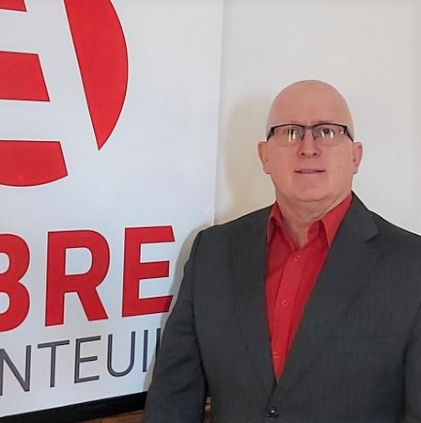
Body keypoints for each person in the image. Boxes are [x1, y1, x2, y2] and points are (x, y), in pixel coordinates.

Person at [142, 80, 421, 423]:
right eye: (290, 132)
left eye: (328, 132)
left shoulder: (411, 266)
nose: (308, 147)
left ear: (355, 156)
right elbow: (172, 400)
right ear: (265, 156)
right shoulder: (212, 253)